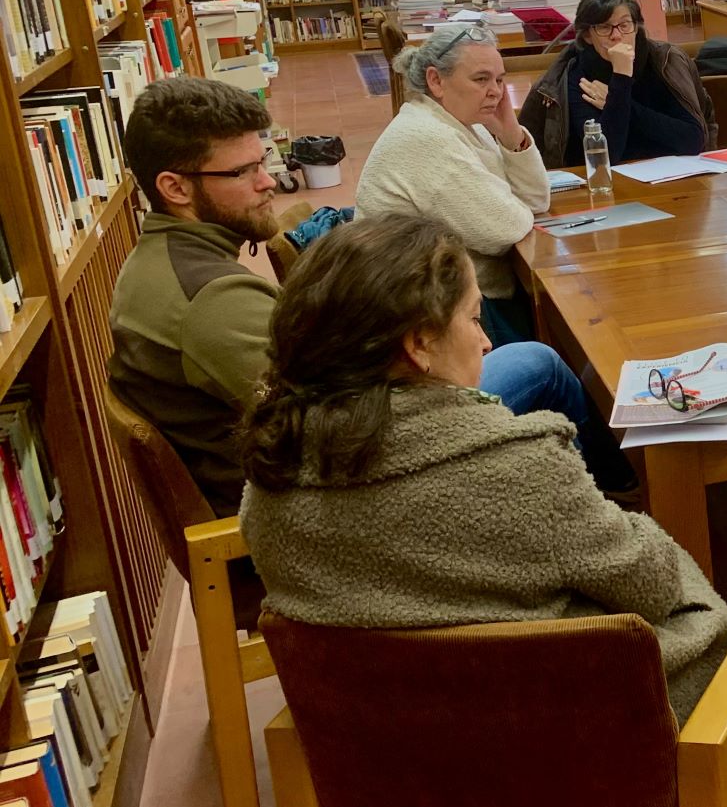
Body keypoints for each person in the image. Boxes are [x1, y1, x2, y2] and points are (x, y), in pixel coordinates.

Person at [238, 215, 727, 723]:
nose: (487, 344)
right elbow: (651, 585)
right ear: (419, 345)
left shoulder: (269, 484)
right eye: (474, 320)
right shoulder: (522, 468)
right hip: (569, 744)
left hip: (386, 755)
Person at [107, 77, 640, 516]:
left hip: (299, 482)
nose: (268, 181)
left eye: (263, 160)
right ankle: (616, 501)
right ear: (175, 188)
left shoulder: (157, 265)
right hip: (326, 507)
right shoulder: (213, 299)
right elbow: (334, 422)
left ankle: (603, 494)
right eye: (243, 172)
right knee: (538, 363)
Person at [357, 22, 549, 345]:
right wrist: (511, 201)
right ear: (436, 80)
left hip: (457, 300)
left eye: (500, 79)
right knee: (560, 361)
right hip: (427, 322)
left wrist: (512, 135)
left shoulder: (466, 124)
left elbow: (535, 199)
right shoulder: (427, 137)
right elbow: (508, 225)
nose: (496, 92)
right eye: (481, 79)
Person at [519, 0, 717, 170]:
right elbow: (606, 156)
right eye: (604, 28)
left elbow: (693, 140)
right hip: (606, 184)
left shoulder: (664, 61)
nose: (617, 35)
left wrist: (619, 102)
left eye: (624, 25)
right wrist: (621, 76)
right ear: (588, 35)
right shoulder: (577, 76)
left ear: (636, 27)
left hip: (673, 174)